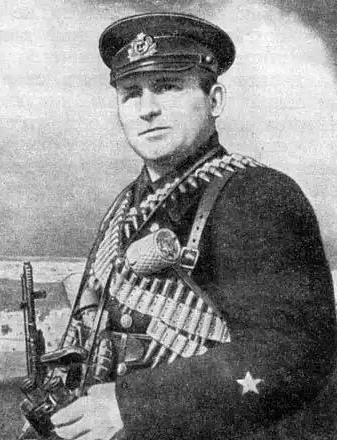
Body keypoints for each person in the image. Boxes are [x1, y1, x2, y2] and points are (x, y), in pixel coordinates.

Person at [36, 12, 337, 440]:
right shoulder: (126, 205)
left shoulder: (256, 195)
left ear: (215, 101)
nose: (147, 109)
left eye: (168, 87)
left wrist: (132, 404)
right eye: (131, 94)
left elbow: (291, 356)